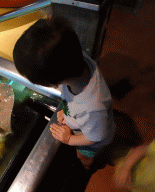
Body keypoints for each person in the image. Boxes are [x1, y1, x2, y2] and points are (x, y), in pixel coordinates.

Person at [13, 17, 116, 170]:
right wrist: (69, 115)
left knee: (83, 155)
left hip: (93, 140)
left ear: (53, 83)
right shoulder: (77, 59)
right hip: (88, 123)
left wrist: (69, 139)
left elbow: (95, 137)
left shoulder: (92, 108)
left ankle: (87, 165)